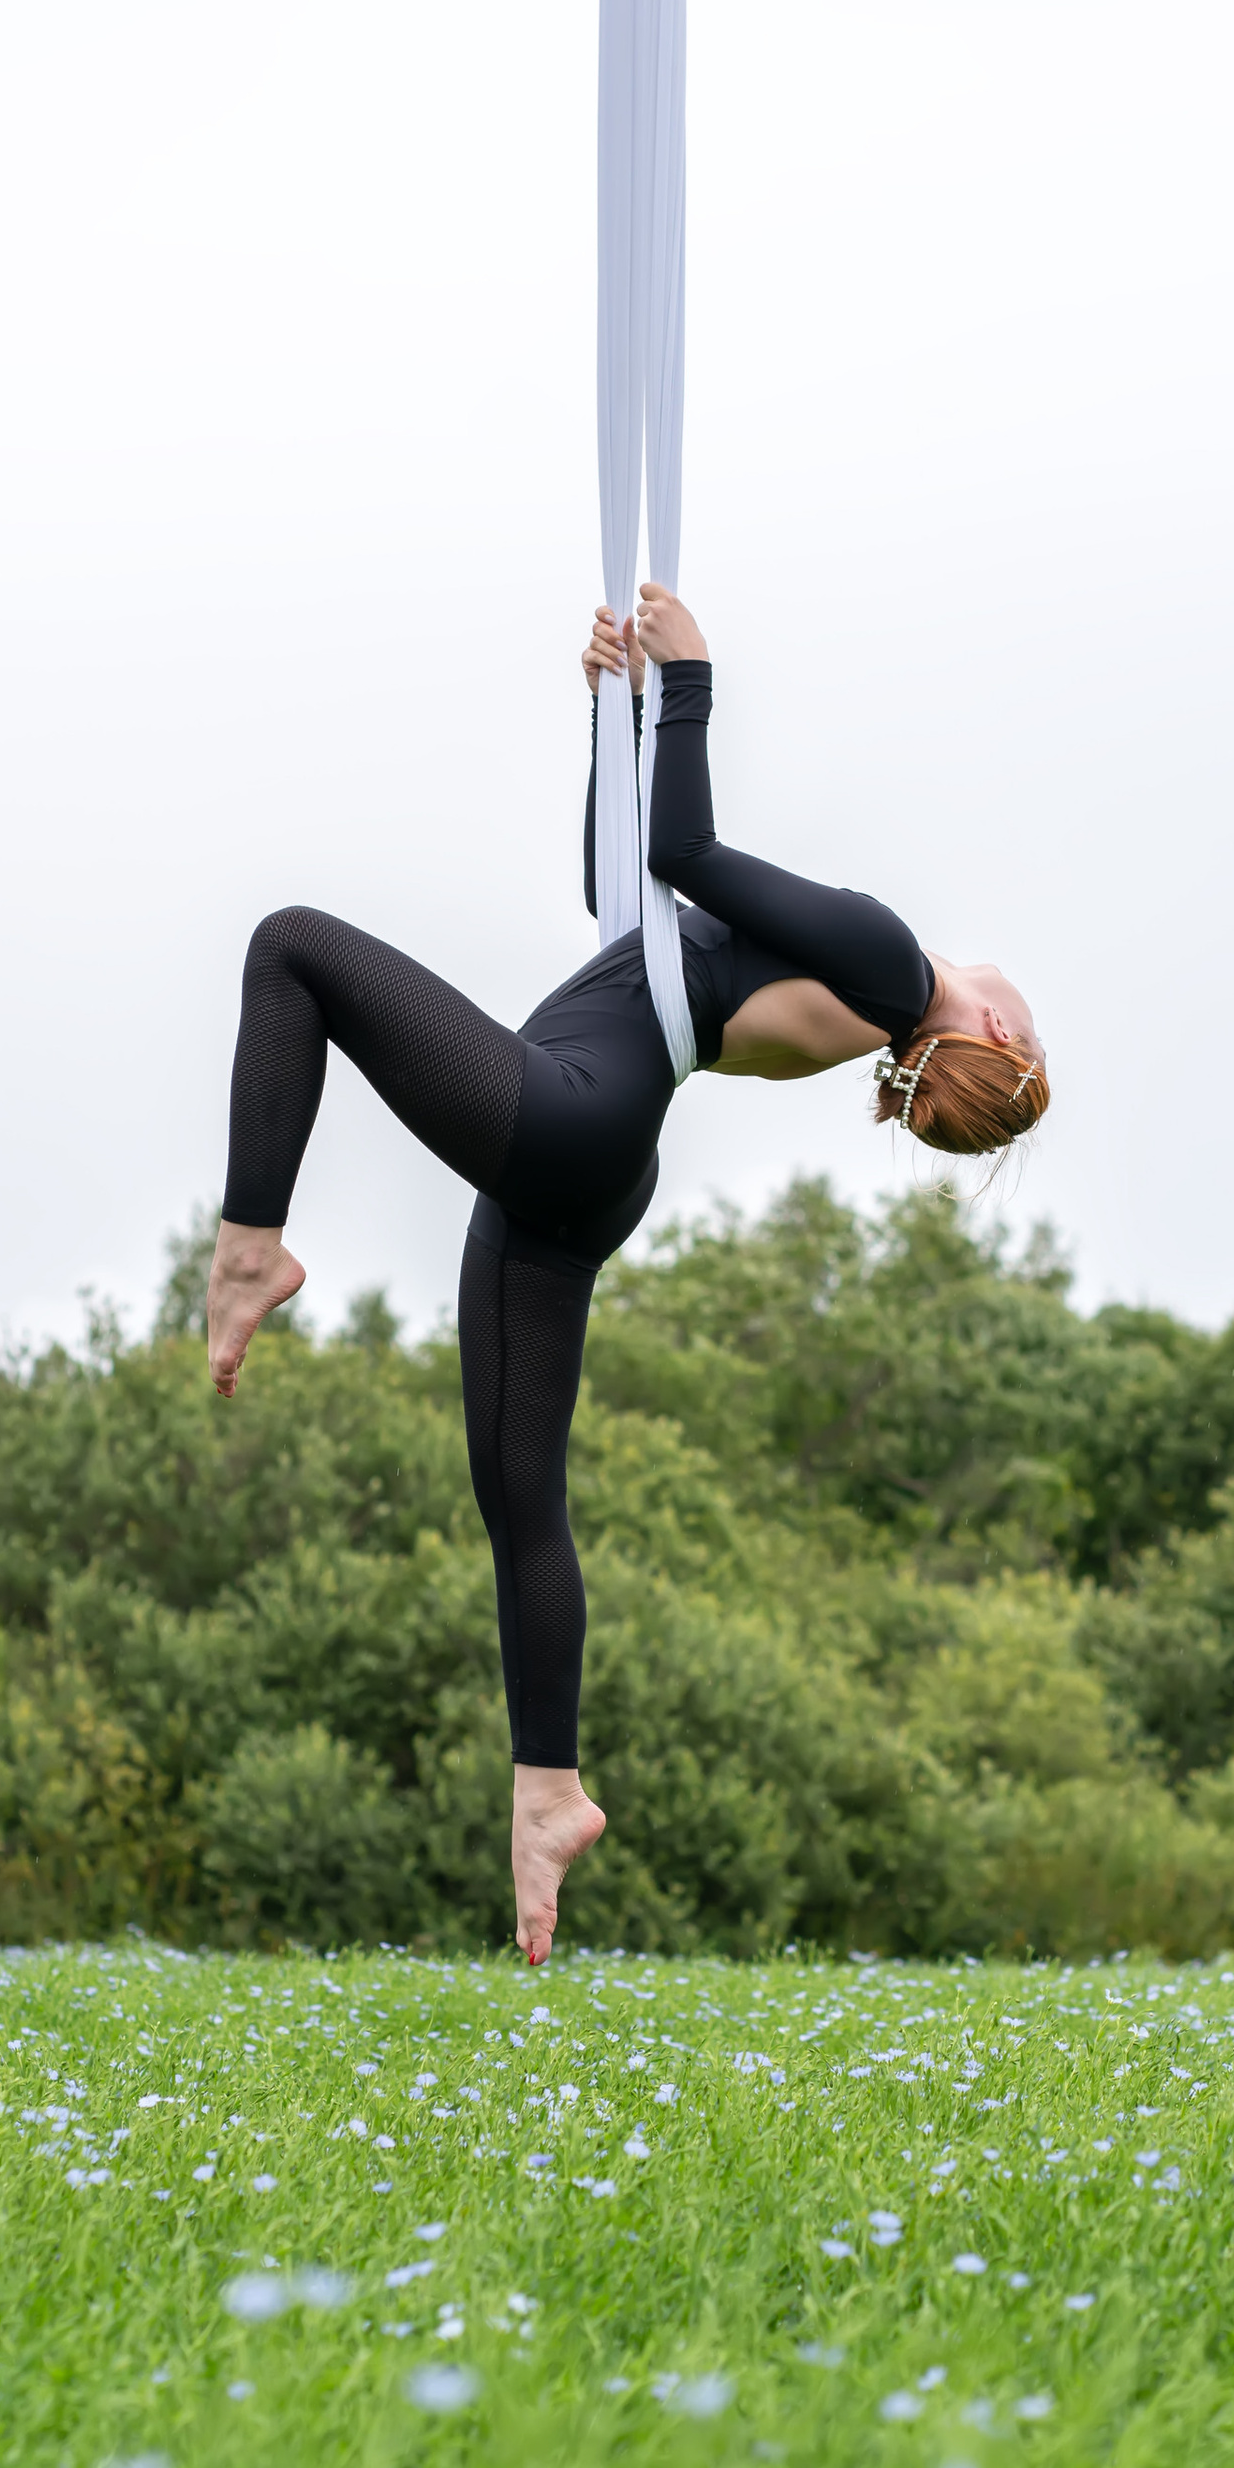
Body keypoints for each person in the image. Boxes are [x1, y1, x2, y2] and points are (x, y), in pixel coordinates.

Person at [205, 585, 1049, 1965]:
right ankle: (549, 1795)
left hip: (576, 1118)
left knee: (292, 945)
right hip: (590, 1154)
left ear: (999, 1034)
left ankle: (252, 1244)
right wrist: (619, 720)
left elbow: (686, 851)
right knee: (518, 1496)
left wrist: (693, 678)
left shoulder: (899, 969)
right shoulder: (865, 1002)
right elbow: (630, 905)